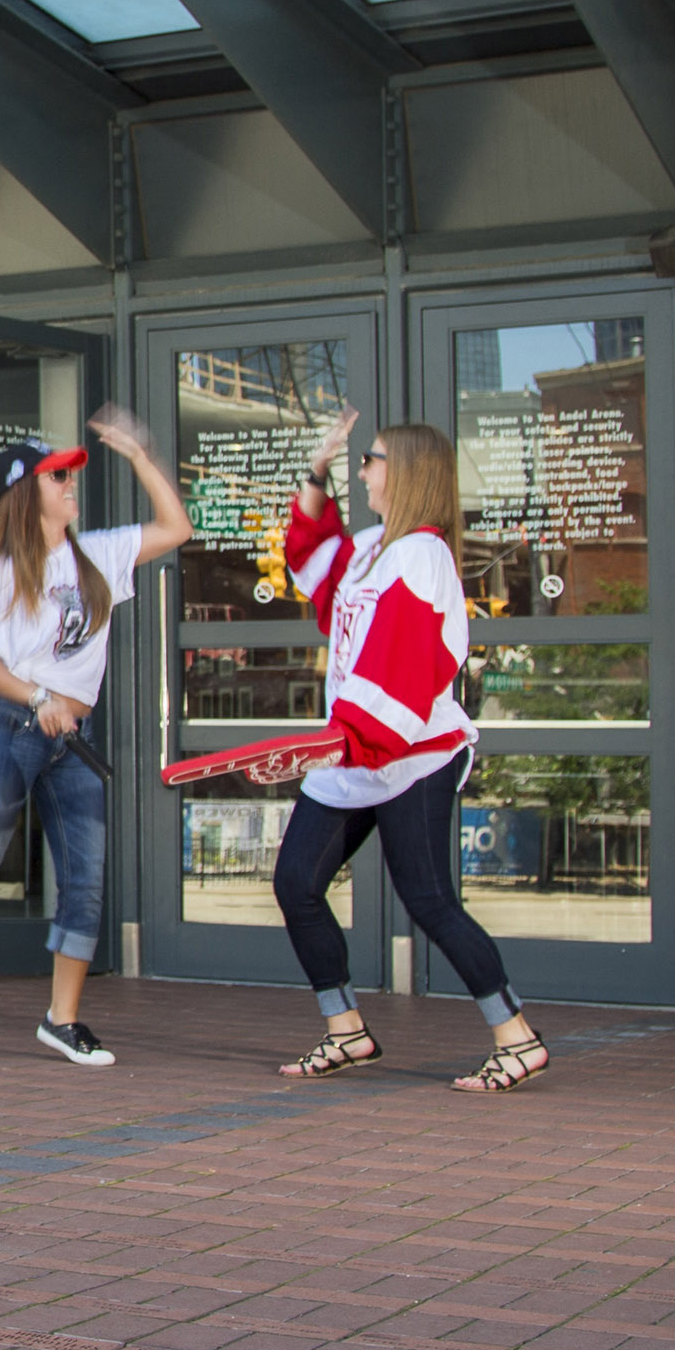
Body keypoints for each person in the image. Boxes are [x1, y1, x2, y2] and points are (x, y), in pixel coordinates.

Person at [270, 411, 549, 1093]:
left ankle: (517, 1037)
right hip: (355, 749)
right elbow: (310, 562)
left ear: (407, 472)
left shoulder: (423, 553)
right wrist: (315, 472)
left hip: (412, 753)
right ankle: (347, 1030)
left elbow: (407, 663)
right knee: (297, 881)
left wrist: (345, 740)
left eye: (371, 458)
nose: (361, 469)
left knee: (427, 898)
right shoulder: (371, 544)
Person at [0, 407, 190, 1067]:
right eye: (56, 475)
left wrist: (139, 458)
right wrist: (36, 696)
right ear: (23, 490)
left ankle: (62, 1018)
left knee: (85, 877)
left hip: (76, 731)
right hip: (15, 725)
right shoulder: (6, 570)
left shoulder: (96, 551)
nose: (70, 482)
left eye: (70, 473)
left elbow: (177, 527)